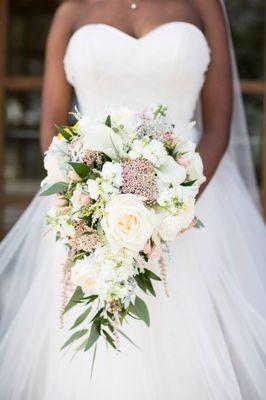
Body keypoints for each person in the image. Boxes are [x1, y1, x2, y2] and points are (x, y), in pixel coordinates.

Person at [0, 0, 265, 398]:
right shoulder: (71, 11)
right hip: (88, 213)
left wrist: (171, 203)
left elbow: (218, 126)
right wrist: (88, 198)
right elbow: (52, 129)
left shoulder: (204, 5)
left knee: (187, 347)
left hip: (191, 213)